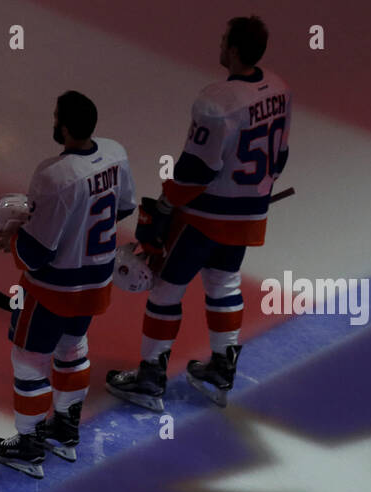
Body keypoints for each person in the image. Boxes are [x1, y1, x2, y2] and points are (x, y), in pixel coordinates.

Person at [107, 15, 291, 410]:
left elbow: (197, 170)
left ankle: (151, 378)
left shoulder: (215, 101)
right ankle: (222, 370)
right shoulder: (279, 88)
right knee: (223, 284)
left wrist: (168, 202)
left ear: (235, 50)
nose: (220, 45)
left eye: (224, 40)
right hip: (248, 213)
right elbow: (282, 155)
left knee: (164, 289)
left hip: (203, 216)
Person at [0, 90, 136, 478]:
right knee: (72, 349)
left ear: (65, 126)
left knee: (28, 358)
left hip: (53, 288)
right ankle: (66, 431)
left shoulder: (54, 174)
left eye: (56, 117)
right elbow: (124, 207)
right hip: (96, 279)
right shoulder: (116, 153)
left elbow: (37, 252)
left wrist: (13, 238)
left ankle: (29, 443)